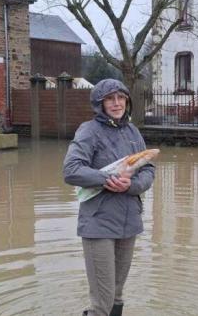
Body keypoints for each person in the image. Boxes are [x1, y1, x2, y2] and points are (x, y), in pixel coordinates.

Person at [63, 79, 156, 316]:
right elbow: (71, 170)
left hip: (129, 222)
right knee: (102, 302)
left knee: (117, 293)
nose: (116, 103)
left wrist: (131, 185)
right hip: (99, 224)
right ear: (100, 103)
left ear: (127, 100)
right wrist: (108, 180)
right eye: (110, 99)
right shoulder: (89, 131)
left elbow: (148, 169)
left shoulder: (133, 132)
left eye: (121, 97)